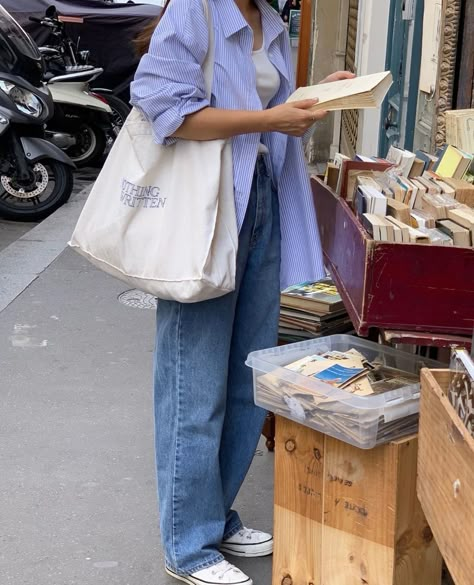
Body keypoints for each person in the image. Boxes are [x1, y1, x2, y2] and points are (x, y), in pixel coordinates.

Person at [130, 1, 354, 584]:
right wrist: (269, 119)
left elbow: (262, 105)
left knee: (245, 378)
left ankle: (217, 515)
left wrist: (315, 95)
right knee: (193, 383)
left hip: (262, 201)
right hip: (204, 209)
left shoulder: (271, 20)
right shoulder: (195, 10)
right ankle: (187, 544)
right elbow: (165, 110)